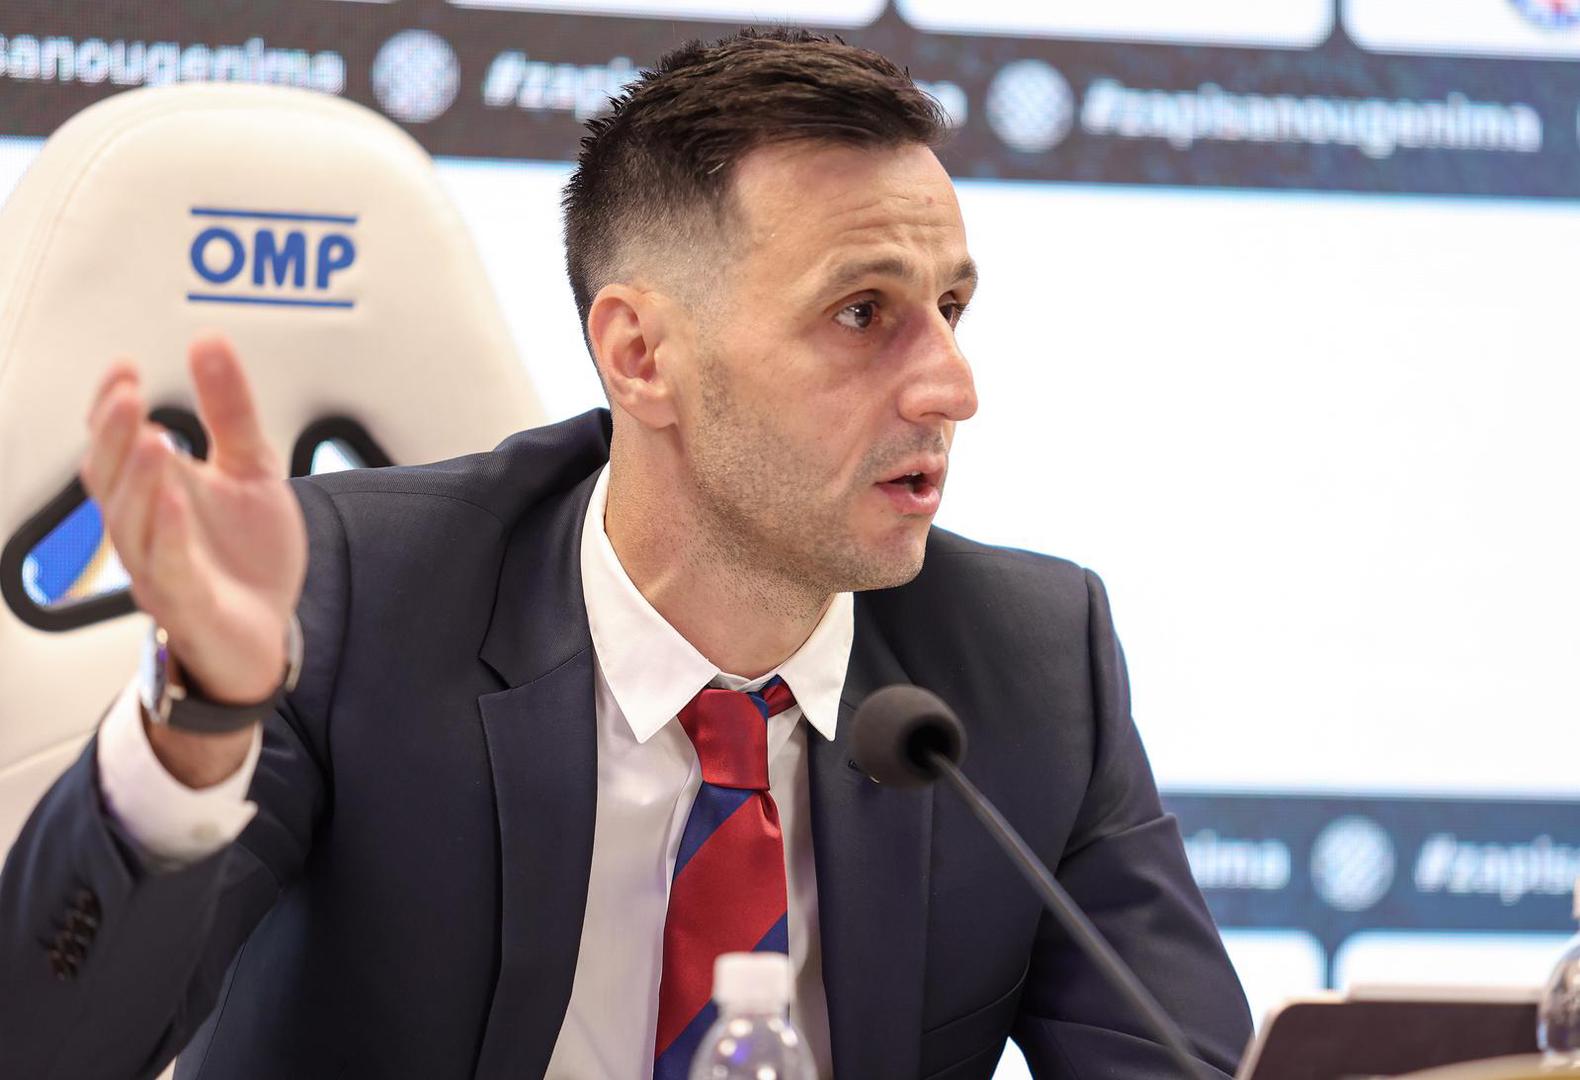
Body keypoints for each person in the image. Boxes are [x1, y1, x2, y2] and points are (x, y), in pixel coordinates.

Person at [0, 28, 1251, 1080]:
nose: (951, 387)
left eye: (951, 309)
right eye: (861, 312)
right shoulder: (358, 604)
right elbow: (46, 1044)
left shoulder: (1031, 667)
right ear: (641, 357)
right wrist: (203, 714)